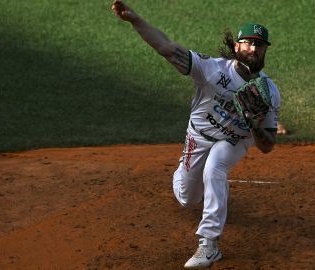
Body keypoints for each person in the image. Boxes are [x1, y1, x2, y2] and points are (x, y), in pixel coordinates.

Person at [111, 1, 281, 268]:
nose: (253, 48)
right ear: (237, 47)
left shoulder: (269, 92)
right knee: (187, 197)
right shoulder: (212, 69)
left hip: (234, 139)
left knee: (216, 166)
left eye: (259, 44)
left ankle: (209, 245)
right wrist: (135, 20)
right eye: (248, 43)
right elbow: (166, 47)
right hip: (199, 136)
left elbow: (268, 145)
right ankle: (197, 181)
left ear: (265, 51)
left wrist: (255, 125)